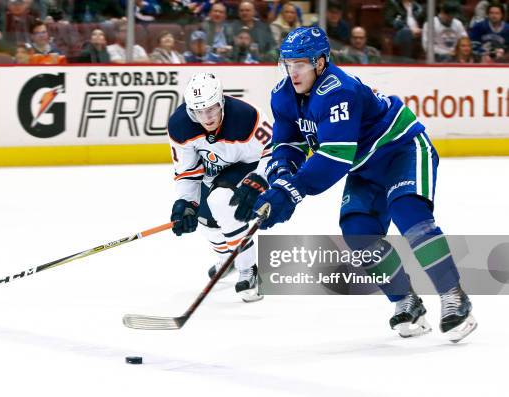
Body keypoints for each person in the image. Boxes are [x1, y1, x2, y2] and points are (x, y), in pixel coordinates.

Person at [251, 26, 477, 342]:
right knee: (358, 232)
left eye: (300, 63)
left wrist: (293, 190)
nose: (293, 72)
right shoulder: (282, 94)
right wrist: (279, 181)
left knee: (409, 215)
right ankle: (405, 300)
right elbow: (286, 144)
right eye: (287, 64)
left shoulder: (338, 90)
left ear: (320, 62)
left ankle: (453, 296)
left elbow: (335, 156)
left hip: (401, 149)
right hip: (365, 165)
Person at [168, 72, 273, 302]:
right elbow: (187, 172)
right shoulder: (180, 126)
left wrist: (261, 179)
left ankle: (249, 269)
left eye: (211, 109)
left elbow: (274, 152)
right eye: (198, 111)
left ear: (221, 101)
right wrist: (187, 203)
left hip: (250, 165)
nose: (206, 117)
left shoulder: (247, 117)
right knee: (205, 221)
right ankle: (227, 259)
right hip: (215, 171)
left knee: (221, 201)